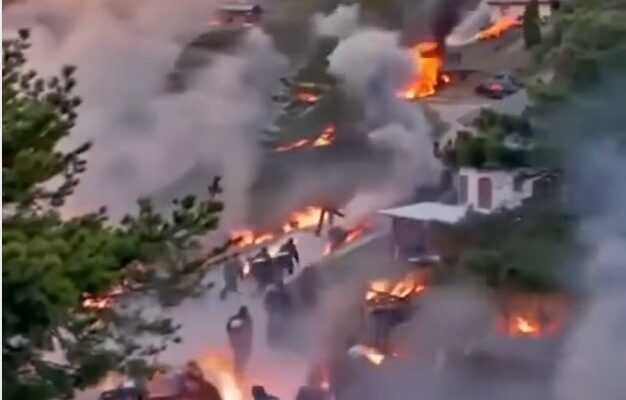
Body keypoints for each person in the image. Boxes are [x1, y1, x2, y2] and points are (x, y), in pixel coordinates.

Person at [264, 281, 295, 347]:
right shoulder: (272, 293)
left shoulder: (284, 295)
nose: (280, 288)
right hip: (274, 313)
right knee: (274, 325)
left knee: (279, 326)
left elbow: (290, 305)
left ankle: (276, 341)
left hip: (279, 313)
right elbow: (266, 302)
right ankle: (272, 341)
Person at [226, 306, 253, 374]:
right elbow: (231, 330)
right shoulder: (237, 320)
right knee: (238, 359)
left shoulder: (248, 320)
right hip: (239, 344)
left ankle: (240, 372)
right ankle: (237, 373)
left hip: (245, 344)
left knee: (243, 359)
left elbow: (249, 332)